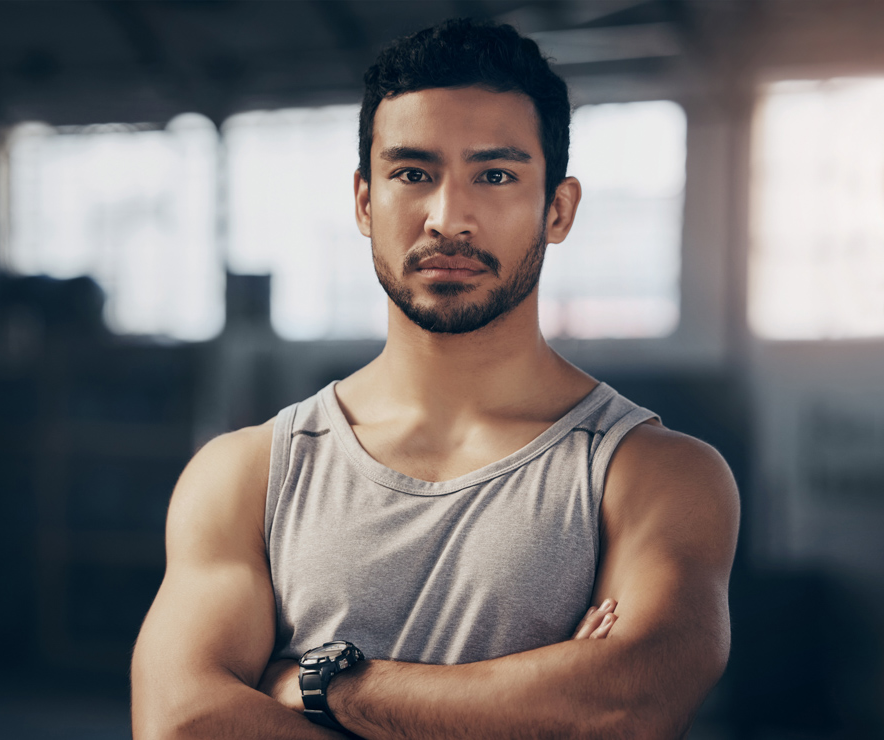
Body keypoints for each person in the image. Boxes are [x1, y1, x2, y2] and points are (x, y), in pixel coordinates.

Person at [131, 18, 739, 740]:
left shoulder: (655, 476)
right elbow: (183, 722)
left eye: (496, 175)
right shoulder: (248, 473)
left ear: (559, 208)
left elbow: (624, 706)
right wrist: (530, 703)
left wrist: (327, 686)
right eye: (413, 174)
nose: (449, 217)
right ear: (364, 201)